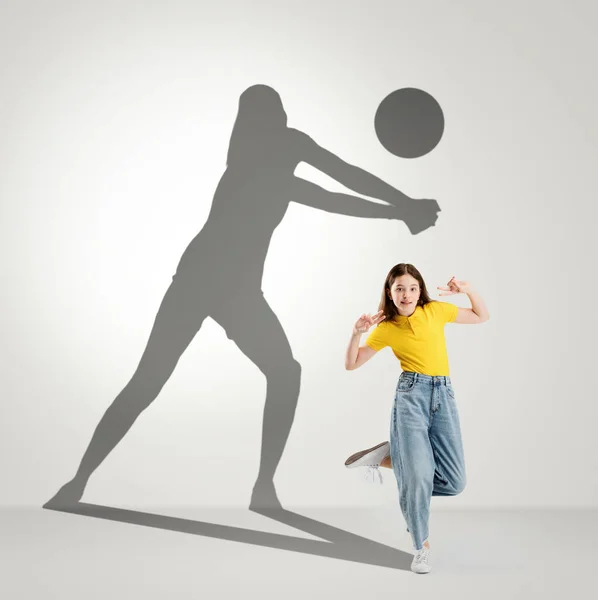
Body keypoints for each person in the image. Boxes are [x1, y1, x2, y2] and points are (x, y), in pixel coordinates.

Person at [44, 85, 441, 512]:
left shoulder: (282, 147)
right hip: (198, 282)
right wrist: (402, 208)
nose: (281, 125)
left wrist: (404, 205)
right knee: (148, 381)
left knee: (284, 373)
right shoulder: (256, 168)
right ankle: (78, 481)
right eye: (269, 116)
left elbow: (344, 174)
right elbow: (331, 195)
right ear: (257, 126)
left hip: (238, 292)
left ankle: (262, 488)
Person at [344, 263, 489, 573]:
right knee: (419, 478)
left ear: (420, 290)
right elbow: (352, 363)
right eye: (399, 289)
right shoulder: (387, 327)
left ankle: (392, 458)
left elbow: (481, 316)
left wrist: (468, 290)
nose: (406, 294)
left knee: (454, 481)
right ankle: (420, 546)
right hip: (411, 396)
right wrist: (356, 333)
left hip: (444, 396)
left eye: (412, 288)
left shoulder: (436, 310)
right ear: (390, 293)